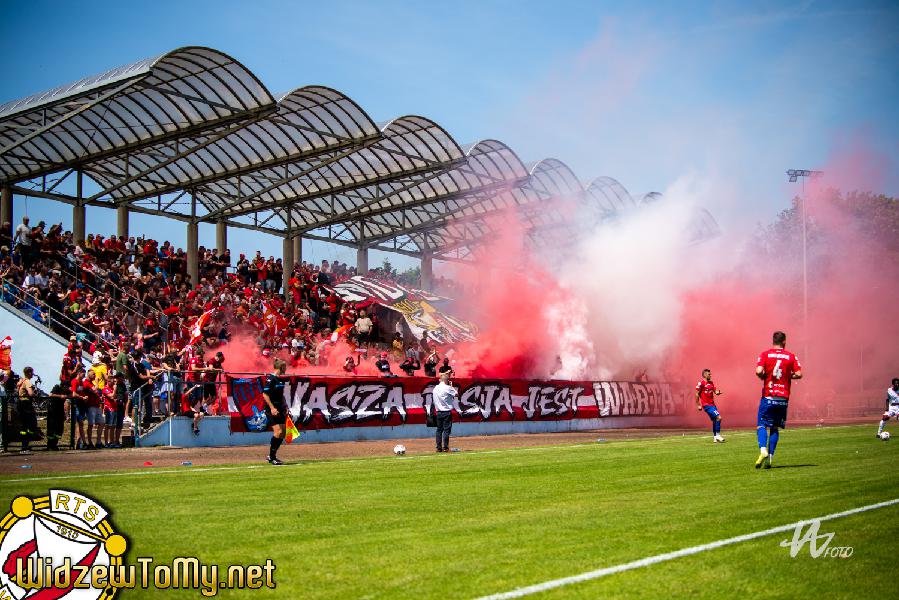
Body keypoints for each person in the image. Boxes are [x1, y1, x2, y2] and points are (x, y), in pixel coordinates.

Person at [754, 331, 802, 469]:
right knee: (774, 428)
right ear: (784, 341)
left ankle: (763, 450)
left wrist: (762, 376)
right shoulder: (791, 356)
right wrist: (787, 376)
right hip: (783, 399)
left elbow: (758, 371)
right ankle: (770, 458)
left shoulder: (765, 354)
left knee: (761, 425)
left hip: (769, 396)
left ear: (773, 341)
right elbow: (799, 374)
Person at [263, 358, 288, 465]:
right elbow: (265, 394)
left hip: (280, 408)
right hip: (272, 409)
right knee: (278, 431)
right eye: (284, 367)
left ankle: (272, 456)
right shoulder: (271, 379)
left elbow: (281, 395)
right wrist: (272, 408)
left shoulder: (280, 380)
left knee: (283, 433)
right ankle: (272, 457)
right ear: (280, 367)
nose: (286, 369)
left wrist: (285, 405)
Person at [695, 369, 724, 442]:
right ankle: (718, 435)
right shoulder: (701, 383)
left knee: (715, 420)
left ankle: (715, 437)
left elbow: (715, 391)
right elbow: (696, 394)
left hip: (713, 405)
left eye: (710, 374)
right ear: (704, 375)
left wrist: (717, 393)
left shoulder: (711, 383)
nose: (710, 375)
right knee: (719, 418)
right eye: (709, 374)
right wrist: (698, 405)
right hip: (706, 405)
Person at [15, 366, 39, 454]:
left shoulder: (21, 381)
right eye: (32, 372)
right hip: (26, 404)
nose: (33, 374)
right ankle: (25, 447)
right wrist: (35, 393)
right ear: (29, 373)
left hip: (20, 404)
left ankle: (24, 445)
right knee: (31, 424)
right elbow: (30, 393)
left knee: (24, 426)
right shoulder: (27, 381)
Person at [432, 371, 457, 452]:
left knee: (439, 430)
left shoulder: (435, 388)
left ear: (440, 380)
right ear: (447, 381)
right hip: (446, 412)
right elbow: (456, 394)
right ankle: (445, 447)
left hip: (438, 412)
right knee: (446, 430)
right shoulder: (448, 388)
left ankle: (438, 447)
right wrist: (451, 386)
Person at [46, 380, 69, 451]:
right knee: (51, 427)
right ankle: (50, 445)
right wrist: (60, 396)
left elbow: (72, 395)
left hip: (60, 410)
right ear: (64, 386)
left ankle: (54, 444)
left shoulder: (66, 391)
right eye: (67, 386)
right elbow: (50, 394)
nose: (68, 388)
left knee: (59, 428)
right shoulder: (57, 387)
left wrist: (67, 396)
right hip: (53, 410)